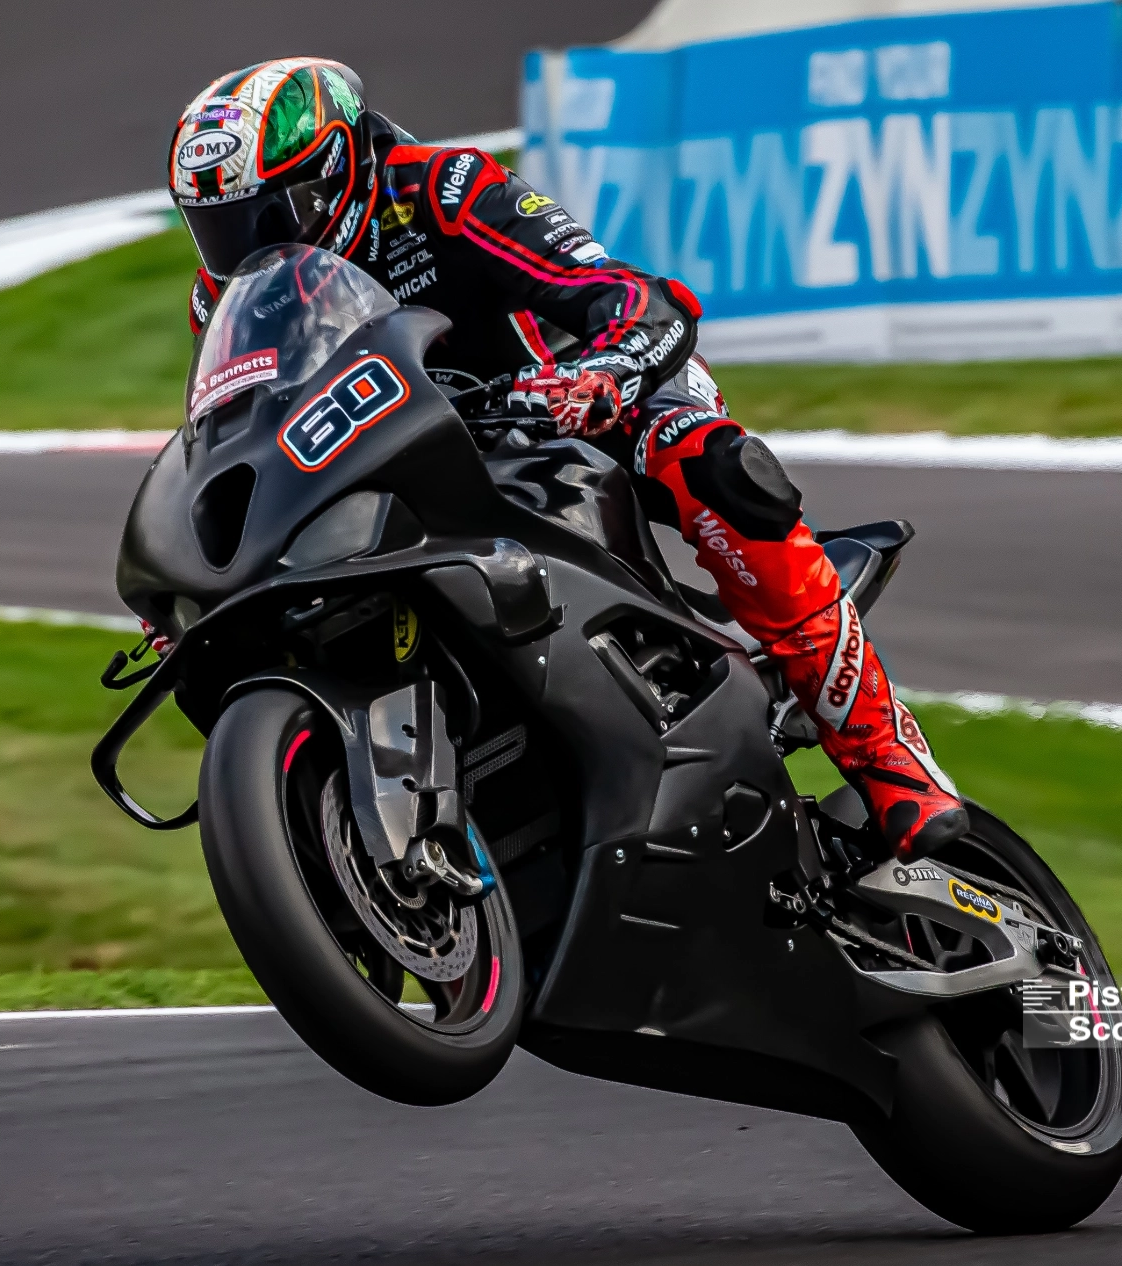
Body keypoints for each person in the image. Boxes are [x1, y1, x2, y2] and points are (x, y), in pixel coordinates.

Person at [168, 58, 968, 860]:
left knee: (716, 471)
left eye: (267, 216)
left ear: (335, 171)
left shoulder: (442, 191)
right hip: (415, 455)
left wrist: (601, 373)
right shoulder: (226, 297)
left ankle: (891, 764)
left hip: (568, 397)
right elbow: (234, 438)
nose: (243, 249)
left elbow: (622, 293)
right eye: (219, 227)